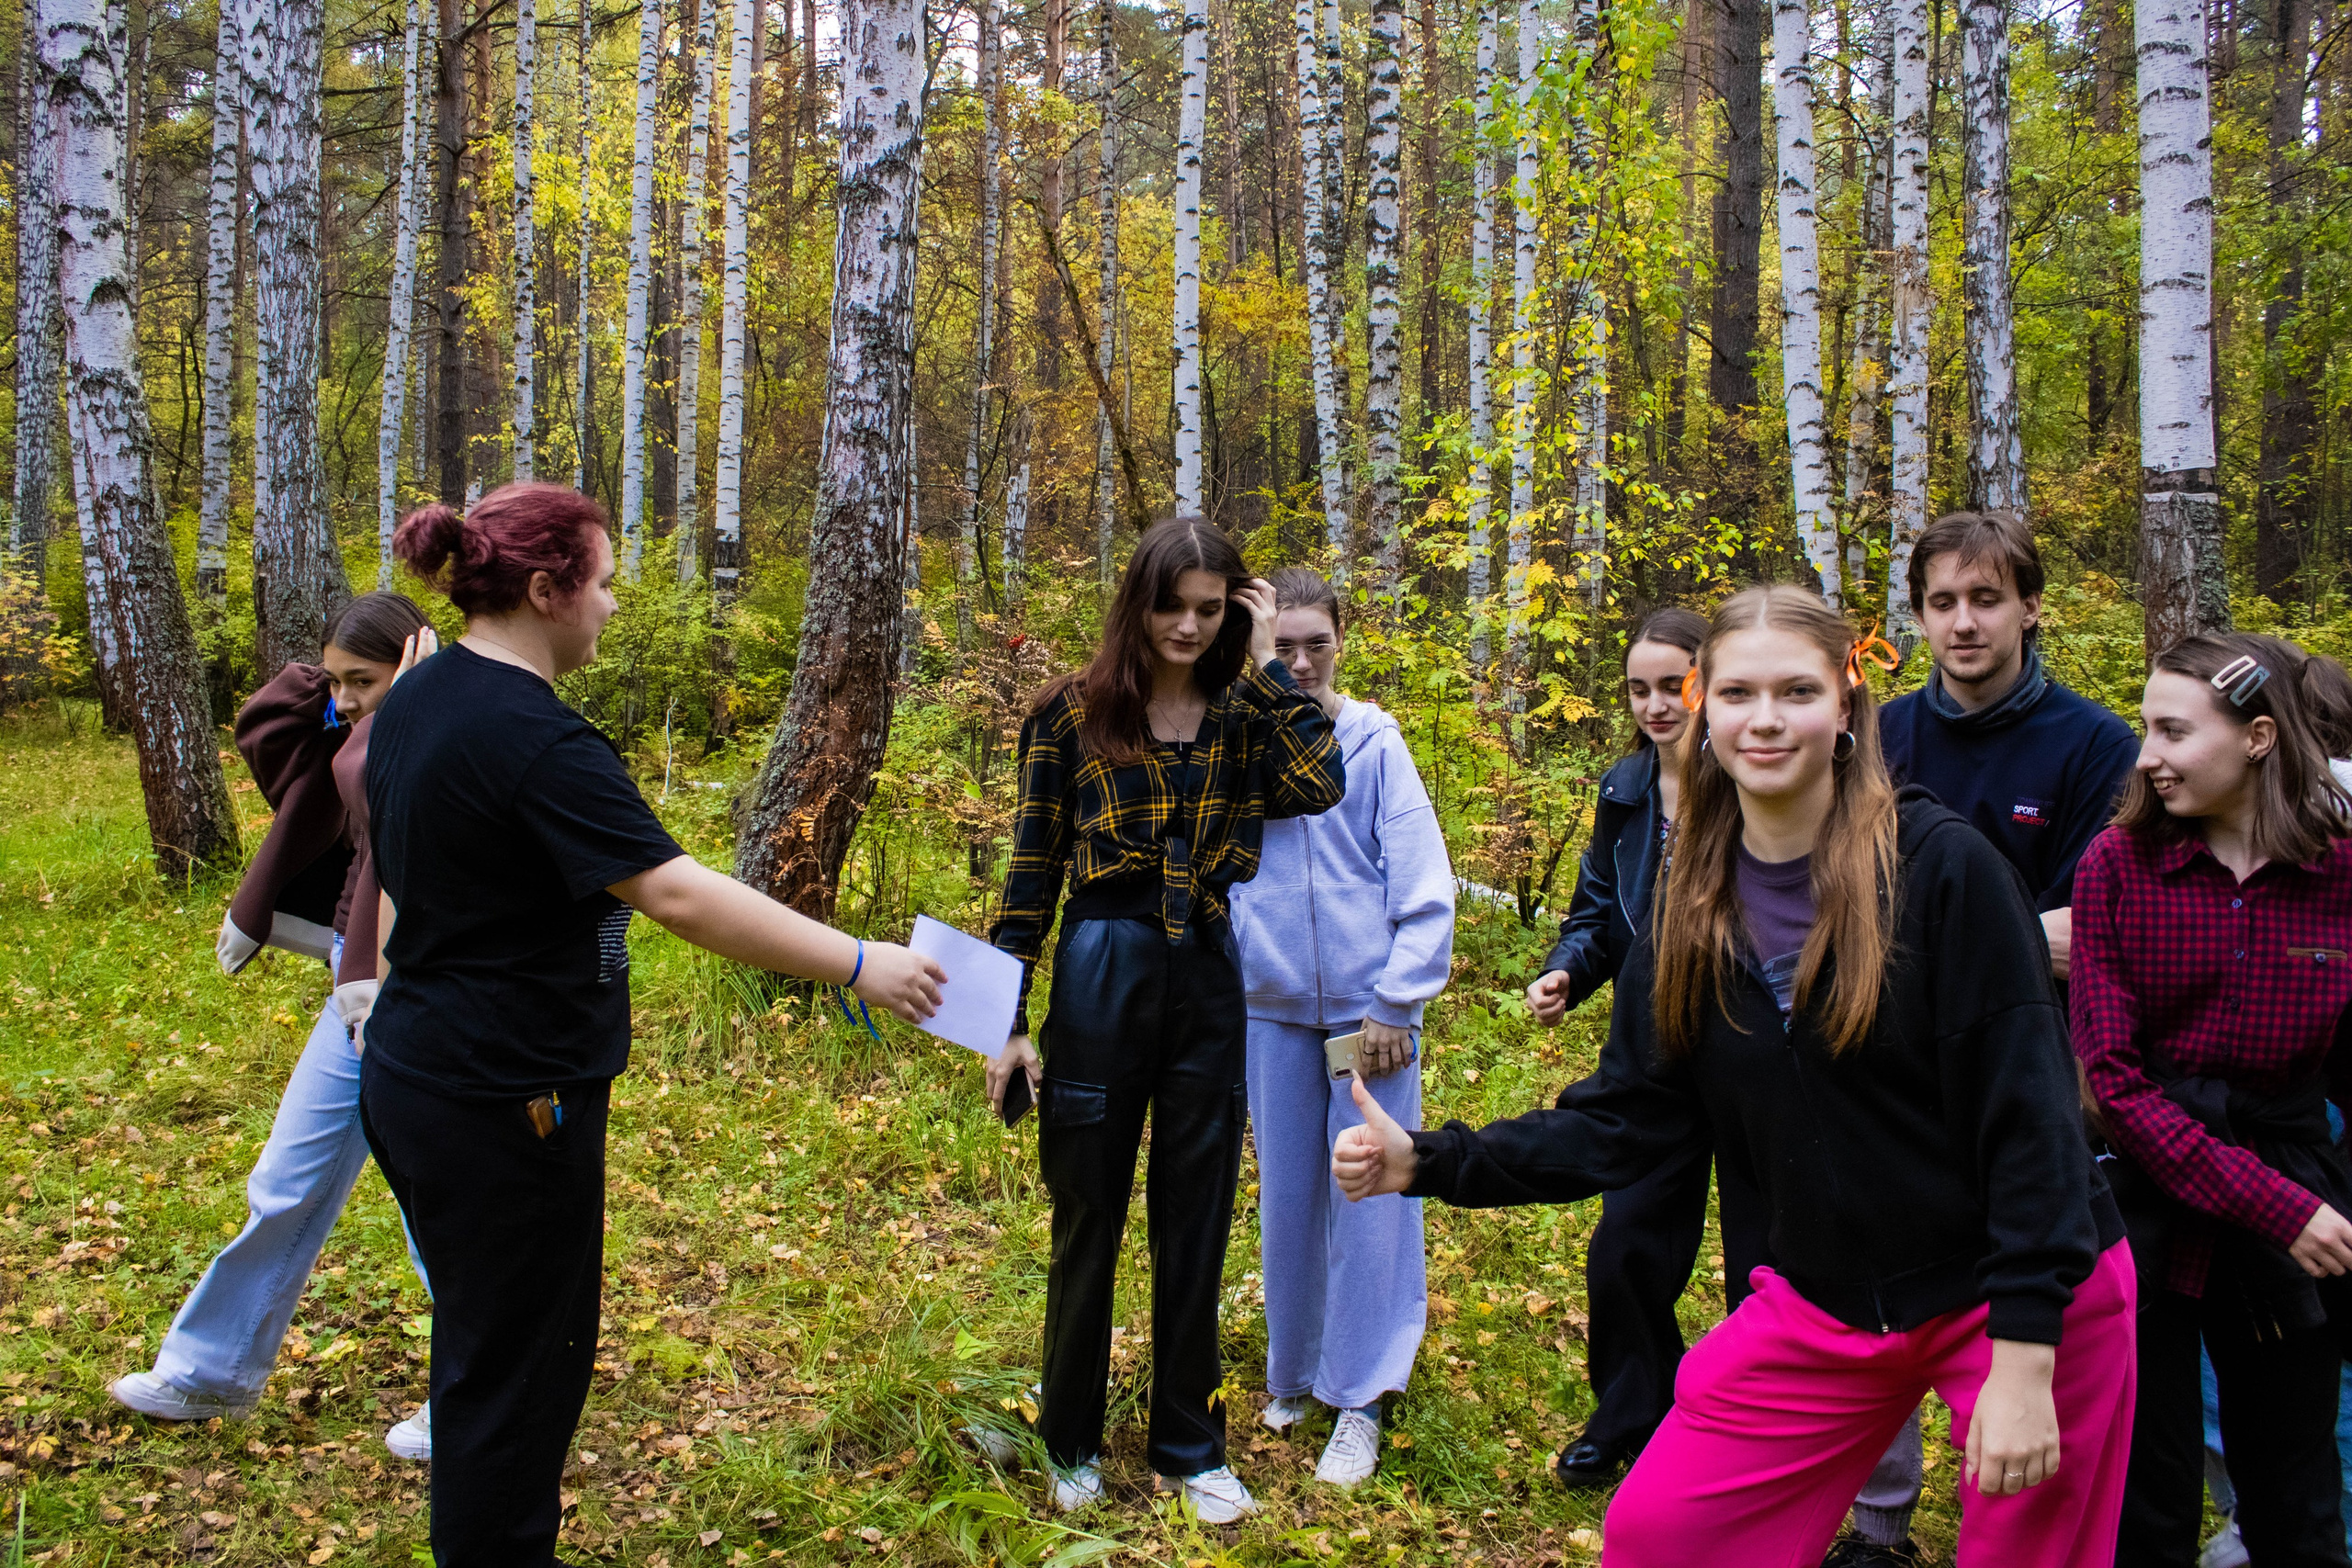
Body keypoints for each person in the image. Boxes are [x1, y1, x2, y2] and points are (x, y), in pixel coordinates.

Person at [1334, 584, 2137, 1568]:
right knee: (1662, 1534)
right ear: (1701, 706)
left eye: (1797, 692)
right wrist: (1430, 1160)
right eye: (1739, 693)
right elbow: (1625, 1122)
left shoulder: (1942, 870)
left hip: (2020, 1293)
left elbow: (2031, 1116)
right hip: (1829, 1301)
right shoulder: (1689, 912)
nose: (1766, 720)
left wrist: (2023, 1354)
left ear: (1846, 706)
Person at [360, 483, 945, 1568]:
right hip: (502, 1100)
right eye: (607, 581)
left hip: (420, 1071)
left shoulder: (419, 694)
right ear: (548, 590)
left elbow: (401, 873)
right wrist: (862, 963)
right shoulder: (533, 738)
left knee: (484, 1352)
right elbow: (676, 894)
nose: (615, 607)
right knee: (518, 1378)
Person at [983, 519, 1344, 1522]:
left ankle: (1191, 1446)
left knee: (1197, 1214)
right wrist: (1006, 1020)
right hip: (1101, 969)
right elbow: (1030, 873)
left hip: (1209, 976)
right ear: (1136, 602)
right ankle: (1069, 1437)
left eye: (1209, 608)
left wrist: (1271, 664)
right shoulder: (1070, 712)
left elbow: (1323, 782)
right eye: (1170, 605)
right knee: (1086, 1211)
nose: (1187, 626)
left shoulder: (1246, 711)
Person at [1837, 510, 2140, 1564]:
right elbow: (1835, 896)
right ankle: (1877, 1525)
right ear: (1916, 617)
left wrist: (1940, 946)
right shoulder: (1882, 734)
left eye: (1985, 599)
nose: (1963, 623)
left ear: (2028, 606)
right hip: (1885, 1073)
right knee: (1874, 1302)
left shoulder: (2096, 746)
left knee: (2018, 1316)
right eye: (1941, 603)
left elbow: (2094, 932)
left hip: (2033, 1080)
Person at [109, 593, 441, 1457]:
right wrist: (349, 691)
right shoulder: (360, 725)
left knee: (434, 1201)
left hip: (430, 990)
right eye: (339, 684)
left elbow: (400, 790)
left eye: (364, 682)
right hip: (355, 984)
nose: (349, 702)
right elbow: (272, 726)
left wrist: (417, 697)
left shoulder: (442, 737)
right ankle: (209, 1369)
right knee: (288, 1177)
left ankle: (474, 1396)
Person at [2072, 633, 2352, 1568]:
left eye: (2171, 731)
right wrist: (2281, 1210)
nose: (2146, 755)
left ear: (2261, 737)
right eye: (2146, 728)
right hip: (2143, 1207)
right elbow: (2112, 1084)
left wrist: (2321, 1205)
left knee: (2294, 1493)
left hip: (2297, 1214)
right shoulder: (2116, 867)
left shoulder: (2340, 877)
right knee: (2142, 1502)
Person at [1521, 605, 1771, 1489]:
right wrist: (1565, 971)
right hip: (1649, 1047)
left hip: (1750, 1046)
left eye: (1677, 683)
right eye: (1640, 689)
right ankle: (1631, 1415)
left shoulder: (1753, 781)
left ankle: (1755, 1436)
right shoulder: (1624, 789)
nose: (1659, 704)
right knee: (1628, 1242)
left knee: (1766, 1256)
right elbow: (1598, 910)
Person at [1229, 566, 1453, 1490]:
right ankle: (1294, 1371)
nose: (1300, 660)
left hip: (1368, 1019)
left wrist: (1396, 1002)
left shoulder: (1371, 742)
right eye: (1281, 646)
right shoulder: (1239, 739)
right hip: (1271, 1011)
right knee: (1287, 1195)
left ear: (1341, 641)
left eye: (1315, 642)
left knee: (1370, 1196)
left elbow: (1421, 876)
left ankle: (1360, 1393)